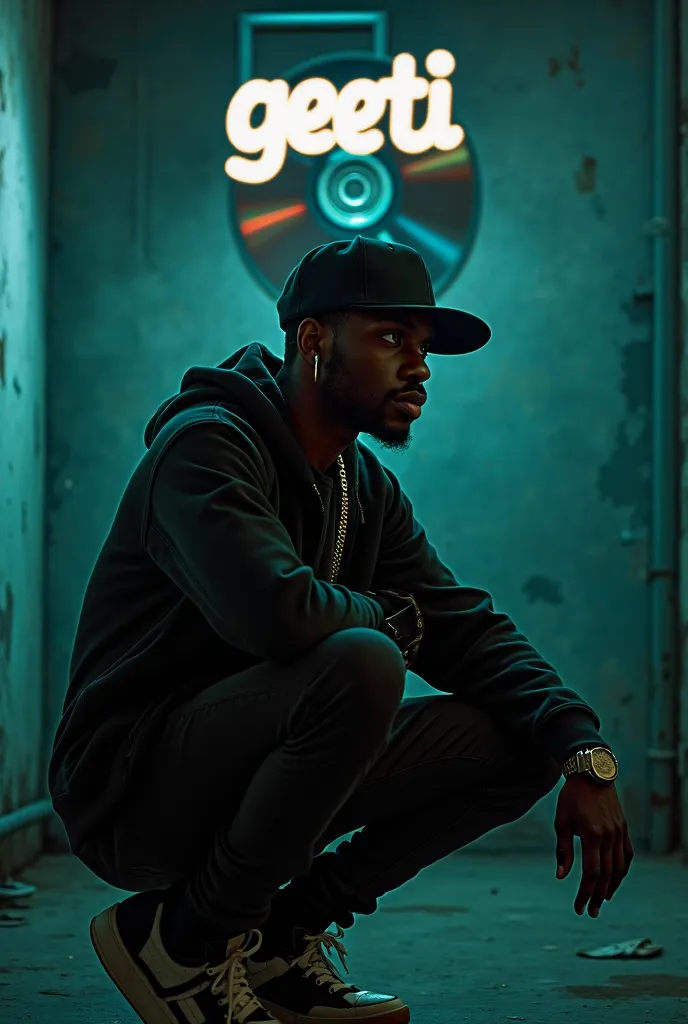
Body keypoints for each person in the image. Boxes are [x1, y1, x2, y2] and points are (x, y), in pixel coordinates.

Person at [48, 235, 633, 1024]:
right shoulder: (208, 446)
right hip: (132, 785)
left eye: (424, 348)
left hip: (247, 766)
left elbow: (461, 625)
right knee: (363, 661)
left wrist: (580, 749)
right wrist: (391, 621)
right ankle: (181, 944)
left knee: (519, 734)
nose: (419, 367)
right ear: (314, 342)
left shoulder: (363, 487)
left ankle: (279, 938)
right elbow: (278, 617)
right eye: (392, 338)